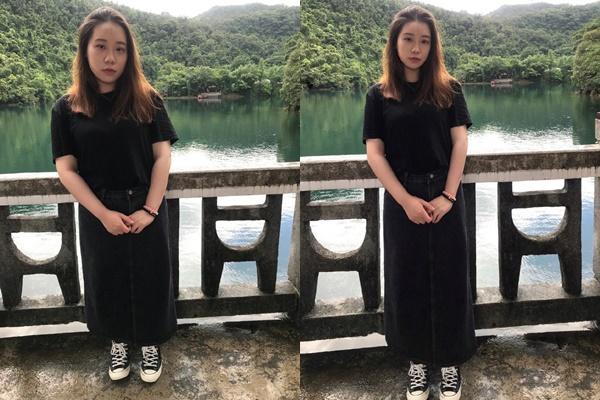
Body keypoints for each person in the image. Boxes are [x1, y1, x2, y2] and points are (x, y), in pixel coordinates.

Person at [51, 6, 178, 383]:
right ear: (85, 50)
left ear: (129, 54)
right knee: (105, 277)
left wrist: (150, 210)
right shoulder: (67, 108)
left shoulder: (147, 99)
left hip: (145, 204)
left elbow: (162, 157)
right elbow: (66, 169)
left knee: (153, 277)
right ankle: (119, 341)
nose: (110, 57)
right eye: (101, 46)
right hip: (98, 209)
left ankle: (151, 342)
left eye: (120, 49)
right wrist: (102, 213)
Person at [363, 5, 475, 400]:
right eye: (408, 39)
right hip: (402, 196)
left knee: (451, 279)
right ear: (394, 43)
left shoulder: (449, 89)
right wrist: (406, 200)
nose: (416, 48)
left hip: (445, 195)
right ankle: (417, 363)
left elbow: (460, 142)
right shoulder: (378, 95)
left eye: (424, 41)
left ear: (433, 46)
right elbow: (375, 153)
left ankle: (450, 364)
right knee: (405, 278)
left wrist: (448, 196)